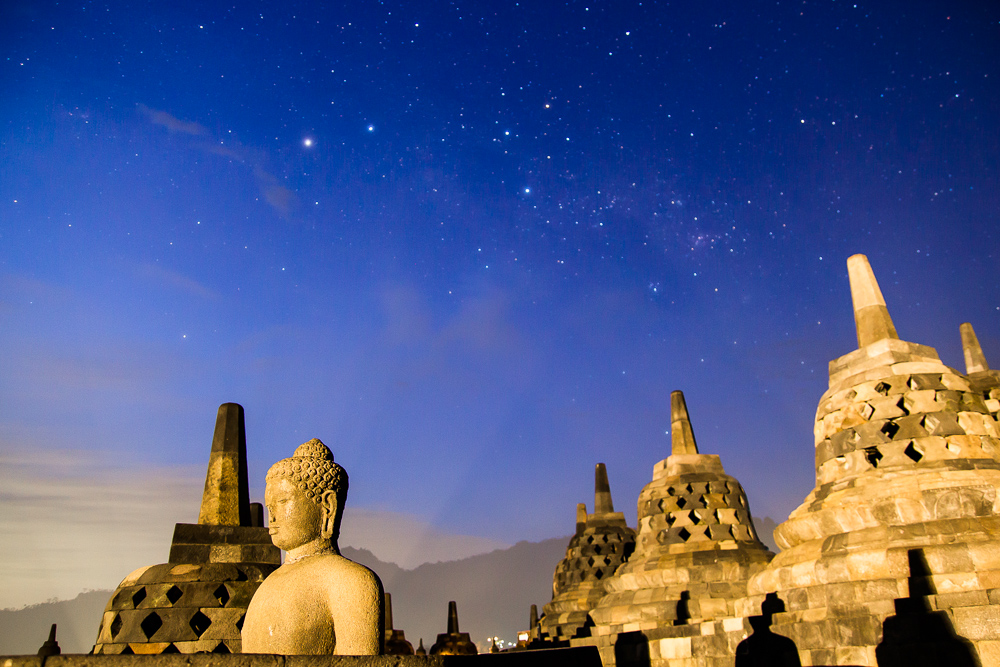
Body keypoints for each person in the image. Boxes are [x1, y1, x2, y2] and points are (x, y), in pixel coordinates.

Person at [242, 439, 384, 655]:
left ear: (328, 506)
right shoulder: (267, 585)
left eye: (282, 501)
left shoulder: (351, 583)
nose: (272, 516)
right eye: (269, 506)